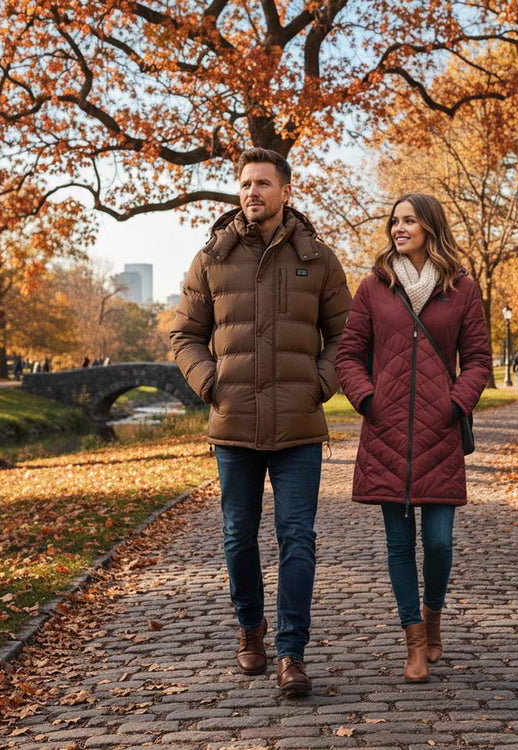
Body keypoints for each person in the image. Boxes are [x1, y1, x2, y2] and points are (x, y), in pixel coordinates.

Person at [170, 147, 351, 695]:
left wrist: (319, 385)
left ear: (286, 191)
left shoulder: (319, 260)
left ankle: (292, 653)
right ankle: (251, 627)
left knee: (297, 537)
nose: (253, 192)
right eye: (245, 184)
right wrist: (210, 383)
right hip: (234, 425)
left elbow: (346, 337)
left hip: (298, 427)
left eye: (264, 183)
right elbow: (185, 336)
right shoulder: (211, 260)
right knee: (236, 537)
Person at [335, 193, 492, 683]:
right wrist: (368, 399)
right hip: (387, 436)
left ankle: (434, 613)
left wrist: (454, 403)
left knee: (440, 543)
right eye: (394, 221)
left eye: (408, 221)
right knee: (399, 546)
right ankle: (414, 642)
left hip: (440, 432)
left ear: (430, 226)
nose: (398, 228)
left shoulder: (462, 289)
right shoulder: (372, 289)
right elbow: (348, 356)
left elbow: (480, 361)